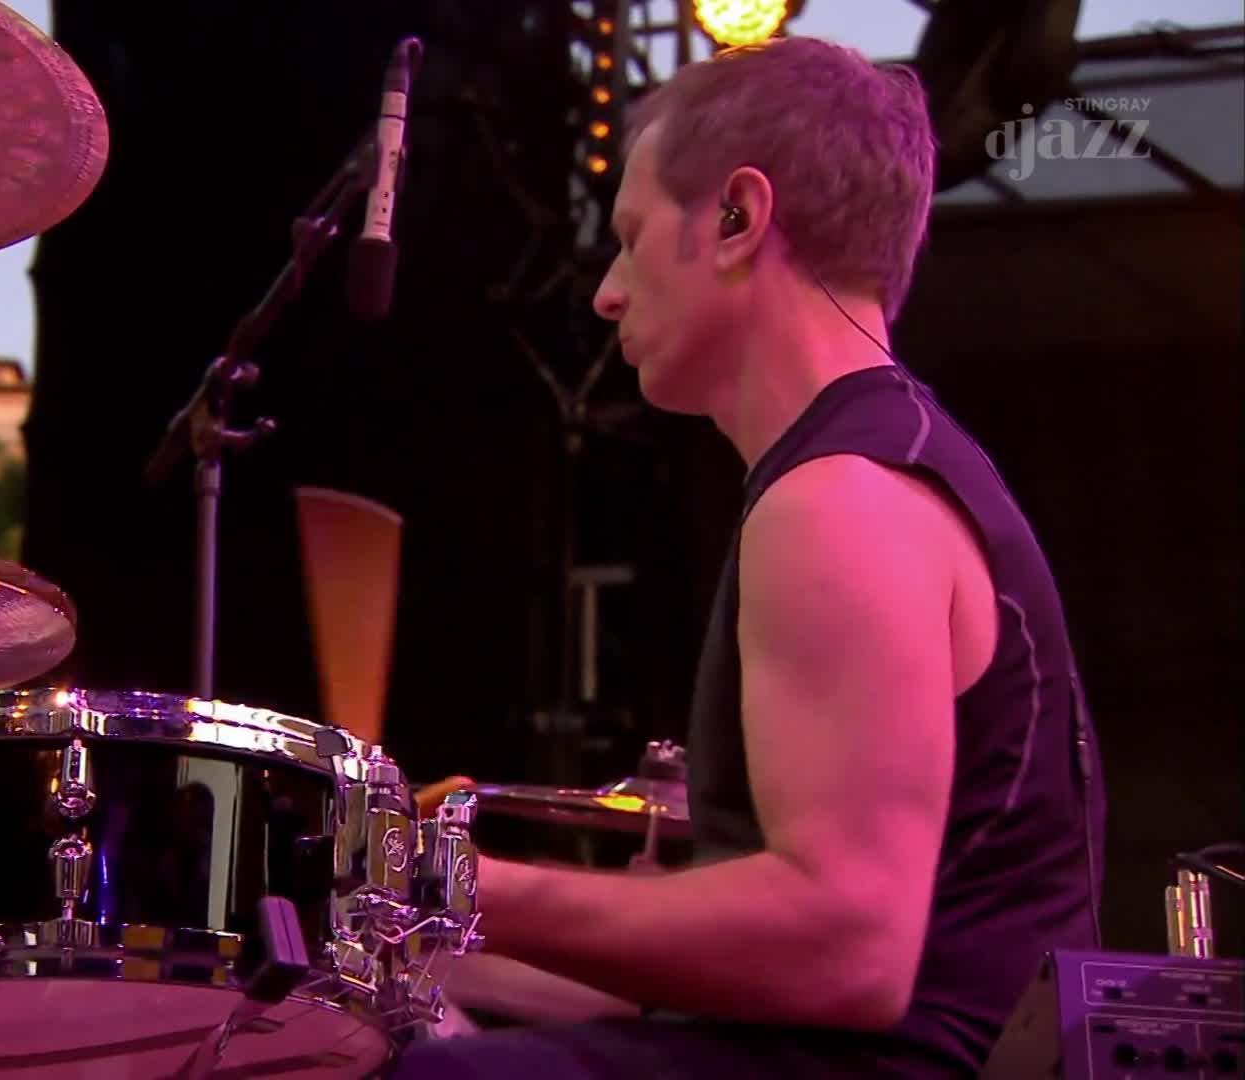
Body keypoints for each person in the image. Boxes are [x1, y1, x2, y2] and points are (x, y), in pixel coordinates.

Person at [396, 37, 1104, 1079]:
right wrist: (440, 950)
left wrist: (457, 884)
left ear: (737, 218)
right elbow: (758, 975)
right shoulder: (877, 461)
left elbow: (846, 949)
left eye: (631, 241)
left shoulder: (843, 496)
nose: (607, 293)